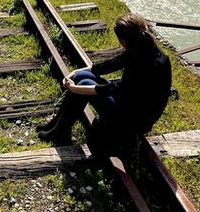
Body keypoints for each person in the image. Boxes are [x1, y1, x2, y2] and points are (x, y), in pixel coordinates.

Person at [36, 13, 172, 155]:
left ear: (124, 41)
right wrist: (75, 71)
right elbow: (109, 65)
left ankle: (60, 131)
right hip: (128, 104)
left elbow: (112, 89)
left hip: (134, 120)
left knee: (84, 82)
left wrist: (76, 88)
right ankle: (57, 125)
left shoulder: (148, 64)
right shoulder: (142, 48)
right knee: (82, 76)